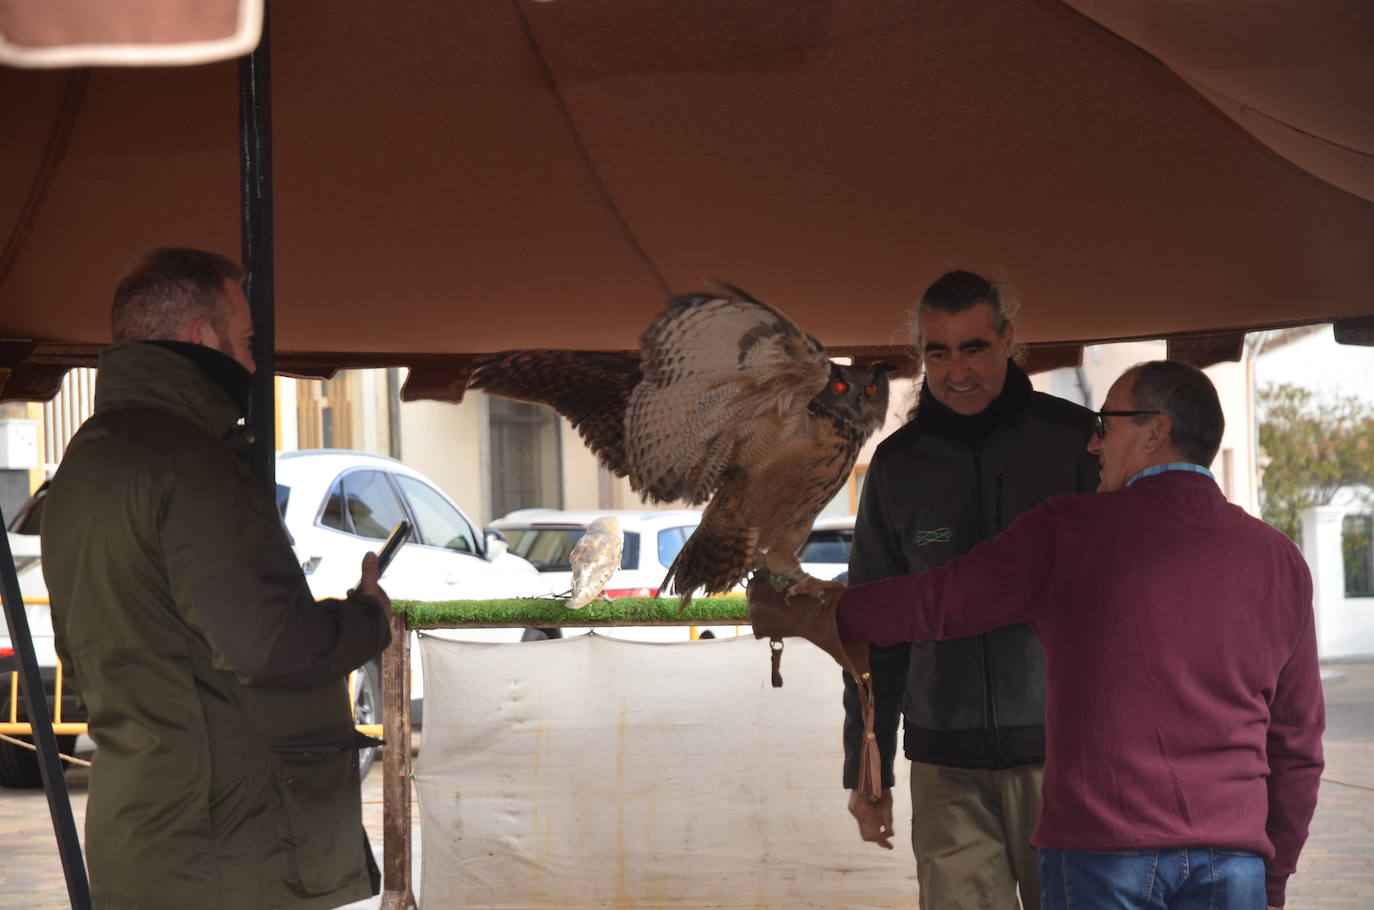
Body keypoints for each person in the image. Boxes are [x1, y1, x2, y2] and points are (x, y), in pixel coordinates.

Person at [774, 360, 1322, 910]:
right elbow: (1298, 745)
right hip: (1232, 862)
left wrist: (815, 609)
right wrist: (1271, 881)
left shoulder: (1071, 530)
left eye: (1106, 424)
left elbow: (937, 602)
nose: (1092, 443)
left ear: (1156, 431)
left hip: (1102, 853)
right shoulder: (1280, 561)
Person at [41, 248, 393, 909]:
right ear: (204, 337)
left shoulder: (84, 466)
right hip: (230, 852)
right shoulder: (192, 465)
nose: (255, 364)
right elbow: (269, 646)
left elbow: (85, 658)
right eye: (247, 341)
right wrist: (367, 618)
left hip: (141, 838)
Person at [841, 270, 1097, 909]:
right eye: (938, 351)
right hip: (944, 766)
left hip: (1066, 763)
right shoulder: (895, 468)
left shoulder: (1077, 443)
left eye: (974, 347)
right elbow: (871, 630)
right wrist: (864, 767)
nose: (957, 370)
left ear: (1009, 341)